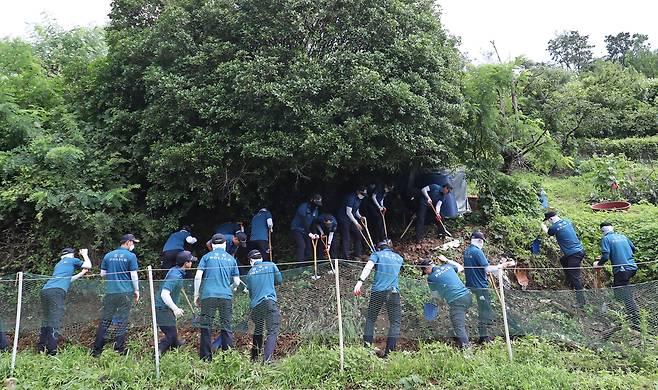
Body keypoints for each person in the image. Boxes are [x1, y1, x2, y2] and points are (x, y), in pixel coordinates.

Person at [92, 234, 140, 357]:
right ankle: (119, 350)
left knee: (105, 321)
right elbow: (134, 275)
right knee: (122, 321)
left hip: (110, 292)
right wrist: (137, 290)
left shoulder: (108, 255)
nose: (133, 245)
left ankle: (97, 350)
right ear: (128, 242)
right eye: (133, 242)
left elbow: (102, 274)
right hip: (125, 293)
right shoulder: (131, 256)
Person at [195, 234, 241, 361]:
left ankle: (205, 359)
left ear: (213, 245)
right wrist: (229, 289)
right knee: (226, 326)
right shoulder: (231, 259)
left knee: (206, 326)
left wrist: (196, 294)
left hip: (208, 295)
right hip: (225, 296)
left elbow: (198, 276)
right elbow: (237, 281)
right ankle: (228, 358)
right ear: (225, 244)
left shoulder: (206, 257)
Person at [353, 240, 403, 357]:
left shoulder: (377, 254)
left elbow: (368, 267)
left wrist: (360, 282)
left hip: (378, 292)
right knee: (395, 322)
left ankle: (367, 350)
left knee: (370, 319)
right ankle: (388, 354)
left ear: (379, 248)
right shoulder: (399, 258)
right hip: (393, 292)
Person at [38, 247, 92, 355]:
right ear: (71, 255)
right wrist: (85, 254)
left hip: (46, 291)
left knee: (47, 319)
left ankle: (41, 348)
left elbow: (68, 279)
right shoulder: (71, 260)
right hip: (57, 292)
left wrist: (82, 273)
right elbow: (88, 265)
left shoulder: (59, 264)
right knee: (55, 320)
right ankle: (52, 352)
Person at [463, 232, 514, 343]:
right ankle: (484, 337)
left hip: (472, 284)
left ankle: (484, 334)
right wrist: (502, 266)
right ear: (480, 241)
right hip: (480, 286)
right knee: (484, 310)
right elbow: (487, 269)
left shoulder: (467, 251)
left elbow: (477, 267)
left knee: (484, 309)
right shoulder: (477, 252)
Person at [593, 222, 640, 330]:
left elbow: (605, 256)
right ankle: (623, 312)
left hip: (622, 270)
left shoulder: (606, 239)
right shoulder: (622, 236)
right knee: (619, 289)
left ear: (602, 230)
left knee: (625, 295)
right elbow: (633, 249)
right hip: (632, 267)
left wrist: (598, 264)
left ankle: (635, 320)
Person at [417, 256, 471, 348]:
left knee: (458, 325)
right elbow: (461, 268)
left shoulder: (431, 278)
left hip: (456, 300)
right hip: (467, 296)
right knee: (458, 322)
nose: (426, 274)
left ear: (426, 268)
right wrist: (447, 260)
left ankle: (467, 351)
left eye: (425, 272)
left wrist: (435, 304)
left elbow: (436, 296)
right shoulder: (448, 266)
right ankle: (461, 342)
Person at [155, 250, 196, 355]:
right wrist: (175, 308)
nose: (192, 263)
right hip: (162, 308)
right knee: (171, 335)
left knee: (172, 330)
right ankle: (157, 353)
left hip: (165, 308)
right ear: (186, 263)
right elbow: (164, 294)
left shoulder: (176, 271)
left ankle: (175, 345)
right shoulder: (175, 276)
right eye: (190, 261)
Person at [541, 211, 586, 307]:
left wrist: (544, 227)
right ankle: (569, 280)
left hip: (573, 254)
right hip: (579, 251)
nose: (549, 223)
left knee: (576, 278)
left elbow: (548, 233)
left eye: (548, 221)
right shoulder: (567, 221)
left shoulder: (554, 227)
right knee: (563, 260)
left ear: (550, 219)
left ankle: (581, 302)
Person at [245, 249, 282, 363]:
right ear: (261, 258)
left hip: (256, 305)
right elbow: (279, 280)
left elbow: (251, 293)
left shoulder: (250, 273)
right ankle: (267, 359)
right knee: (272, 330)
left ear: (251, 260)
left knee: (258, 330)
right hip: (269, 302)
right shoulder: (271, 265)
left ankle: (254, 358)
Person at [290, 194, 322, 265]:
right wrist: (309, 233)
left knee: (309, 248)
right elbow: (303, 221)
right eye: (316, 203)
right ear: (312, 200)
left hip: (305, 230)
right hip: (297, 229)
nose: (316, 205)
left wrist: (315, 233)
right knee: (302, 246)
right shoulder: (303, 207)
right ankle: (300, 267)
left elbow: (313, 223)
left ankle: (307, 266)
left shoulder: (315, 210)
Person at [337, 187, 367, 261]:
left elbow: (356, 210)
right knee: (346, 237)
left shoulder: (359, 199)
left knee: (358, 234)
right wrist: (356, 223)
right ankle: (345, 257)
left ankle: (358, 254)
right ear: (358, 192)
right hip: (344, 218)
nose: (362, 196)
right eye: (362, 194)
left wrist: (360, 217)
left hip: (351, 219)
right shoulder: (351, 198)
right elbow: (348, 212)